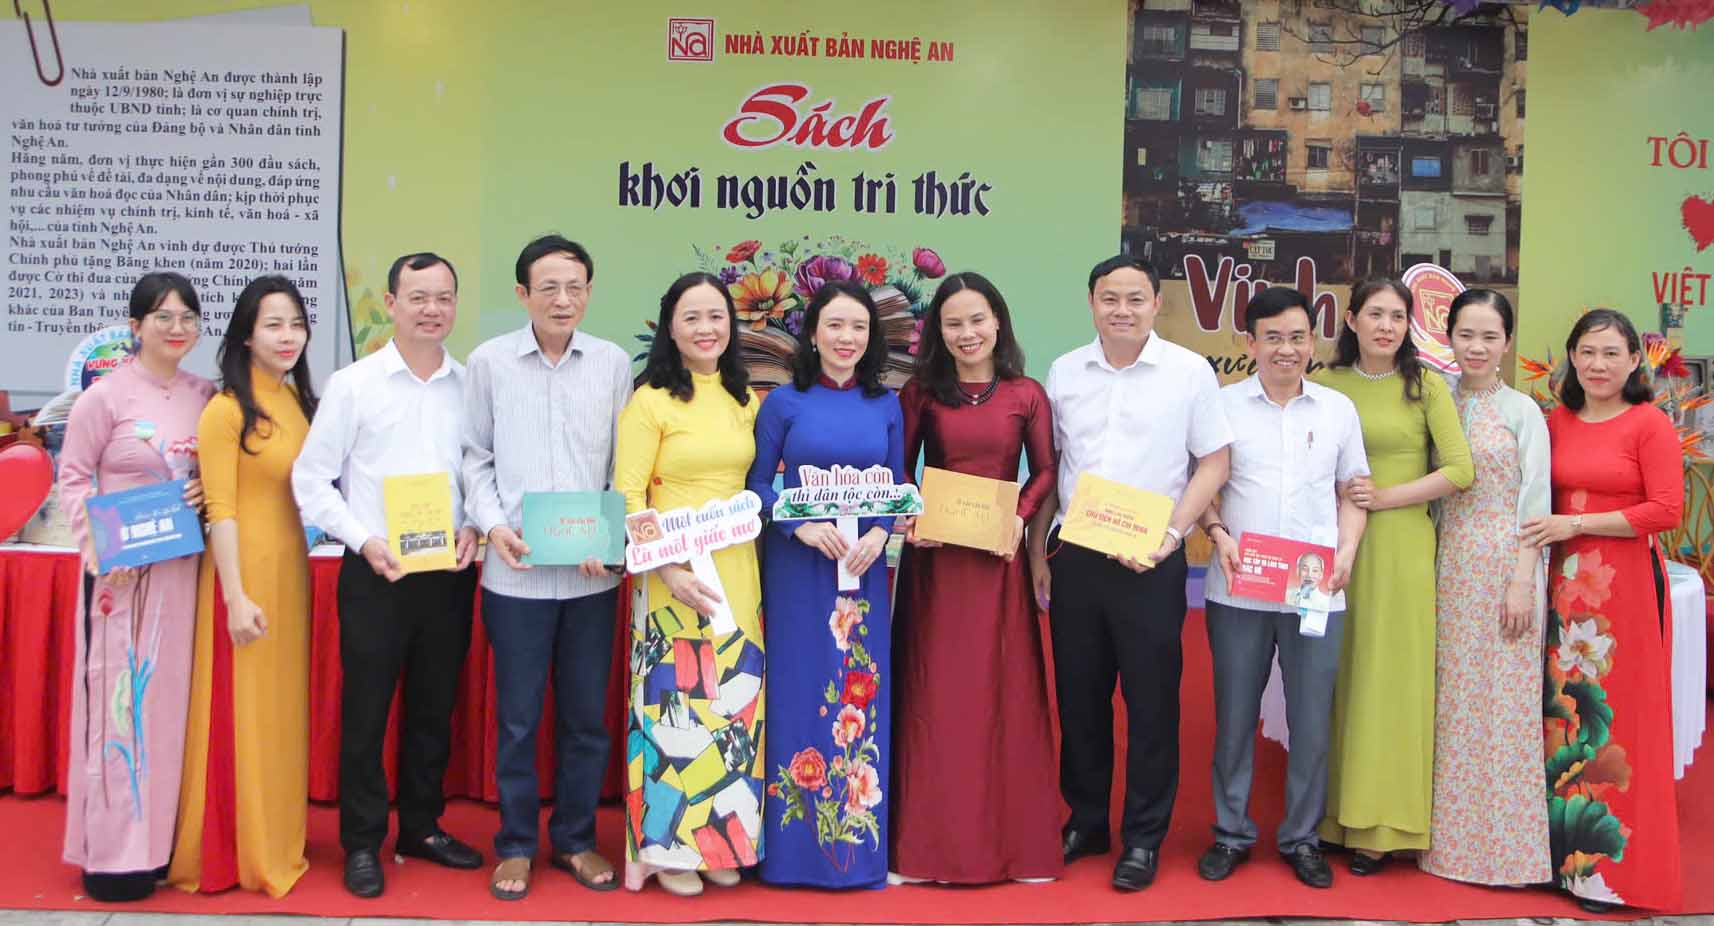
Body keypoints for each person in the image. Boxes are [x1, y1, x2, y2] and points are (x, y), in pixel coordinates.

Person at [1027, 255, 1232, 892]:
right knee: (1081, 698)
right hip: (1077, 557)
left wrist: (1172, 536)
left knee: (1151, 704)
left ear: (1155, 304)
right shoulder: (1064, 372)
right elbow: (1050, 473)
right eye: (1109, 298)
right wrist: (1039, 555)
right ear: (1091, 302)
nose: (1122, 309)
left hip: (1151, 558)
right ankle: (1086, 820)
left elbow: (1213, 464)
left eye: (1135, 299)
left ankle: (1143, 837)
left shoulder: (1188, 372)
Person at [292, 253, 483, 898]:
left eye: (444, 297)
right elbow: (310, 479)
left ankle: (422, 827)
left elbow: (477, 474)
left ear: (456, 305)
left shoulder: (470, 385)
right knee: (367, 711)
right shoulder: (354, 384)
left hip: (448, 573)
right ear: (393, 303)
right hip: (375, 570)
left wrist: (475, 527)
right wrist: (363, 539)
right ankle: (363, 841)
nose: (433, 309)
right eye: (419, 297)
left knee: (435, 706)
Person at [462, 236, 633, 901]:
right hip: (516, 573)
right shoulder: (490, 363)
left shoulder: (613, 364)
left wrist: (613, 533)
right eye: (549, 288)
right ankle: (514, 846)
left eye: (576, 287)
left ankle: (575, 839)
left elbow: (625, 461)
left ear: (589, 291)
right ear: (523, 295)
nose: (564, 300)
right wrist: (494, 524)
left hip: (593, 575)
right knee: (518, 719)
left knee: (587, 716)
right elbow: (473, 457)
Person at [1193, 286, 1368, 890]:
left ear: (1312, 342)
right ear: (1250, 343)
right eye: (1272, 337)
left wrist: (1346, 551)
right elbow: (1202, 485)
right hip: (1238, 587)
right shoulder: (1222, 407)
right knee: (1235, 716)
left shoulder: (1338, 410)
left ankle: (1301, 838)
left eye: (1297, 337)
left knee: (1311, 720)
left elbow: (1354, 492)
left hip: (1316, 590)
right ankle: (1231, 833)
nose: (1285, 349)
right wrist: (1216, 532)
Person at [891, 272, 1063, 884]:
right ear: (937, 331)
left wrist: (1018, 517)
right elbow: (899, 473)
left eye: (977, 320)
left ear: (998, 324)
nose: (967, 334)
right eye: (953, 323)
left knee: (1003, 694)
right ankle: (923, 847)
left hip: (998, 563)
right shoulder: (920, 394)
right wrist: (911, 514)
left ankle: (1017, 846)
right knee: (934, 697)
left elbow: (1045, 471)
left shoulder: (1027, 394)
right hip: (936, 566)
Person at [57, 272, 216, 902]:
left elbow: (215, 470)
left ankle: (156, 848)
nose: (176, 328)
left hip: (181, 572)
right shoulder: (106, 396)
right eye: (162, 316)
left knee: (166, 707)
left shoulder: (205, 395)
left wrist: (209, 491)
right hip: (118, 577)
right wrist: (96, 548)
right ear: (135, 326)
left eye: (187, 317)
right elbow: (71, 475)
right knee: (117, 703)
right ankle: (112, 853)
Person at [1521, 308, 1683, 912]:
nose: (1597, 364)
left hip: (1623, 596)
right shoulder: (1553, 421)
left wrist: (1578, 522)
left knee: (1615, 726)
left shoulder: (1649, 424)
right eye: (1586, 352)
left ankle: (1609, 873)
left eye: (1611, 353)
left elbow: (1666, 509)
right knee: (1559, 721)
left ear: (1635, 360)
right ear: (1571, 356)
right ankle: (1555, 861)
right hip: (1560, 590)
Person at [745, 280, 904, 889]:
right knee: (797, 692)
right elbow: (757, 486)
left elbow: (897, 485)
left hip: (860, 574)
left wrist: (879, 533)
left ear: (872, 338)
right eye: (835, 326)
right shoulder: (785, 403)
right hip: (797, 572)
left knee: (856, 698)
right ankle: (789, 855)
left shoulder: (884, 404)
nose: (847, 338)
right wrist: (800, 527)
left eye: (858, 328)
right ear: (812, 333)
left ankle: (855, 855)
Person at [1311, 278, 1473, 873]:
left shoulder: (1425, 384)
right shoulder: (1324, 385)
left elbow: (1460, 470)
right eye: (1375, 314)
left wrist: (1388, 497)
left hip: (1402, 545)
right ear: (1350, 320)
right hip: (1332, 547)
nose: (1386, 326)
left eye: (1398, 316)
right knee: (1337, 676)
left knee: (1389, 679)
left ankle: (1385, 826)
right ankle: (1333, 818)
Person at [170, 275, 320, 897]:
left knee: (281, 714)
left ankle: (278, 836)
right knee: (243, 715)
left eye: (295, 324)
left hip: (293, 572)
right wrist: (234, 595)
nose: (287, 337)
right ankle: (237, 851)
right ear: (245, 335)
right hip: (245, 578)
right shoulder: (226, 409)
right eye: (272, 325)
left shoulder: (295, 402)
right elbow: (221, 511)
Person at [615, 272, 764, 896]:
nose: (707, 328)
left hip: (736, 570)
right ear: (670, 327)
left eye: (717, 316)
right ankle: (667, 847)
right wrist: (666, 569)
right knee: (675, 708)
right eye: (692, 317)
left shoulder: (744, 398)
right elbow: (626, 493)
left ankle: (722, 841)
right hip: (669, 577)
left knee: (731, 706)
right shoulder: (649, 400)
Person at [1418, 289, 1552, 888]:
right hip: (1446, 568)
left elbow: (1536, 504)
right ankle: (1445, 846)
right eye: (1466, 334)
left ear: (1506, 342)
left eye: (1489, 337)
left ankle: (1507, 854)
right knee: (1451, 706)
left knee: (1504, 710)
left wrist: (1524, 579)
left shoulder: (1524, 411)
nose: (1476, 347)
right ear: (1448, 335)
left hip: (1506, 568)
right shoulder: (1434, 400)